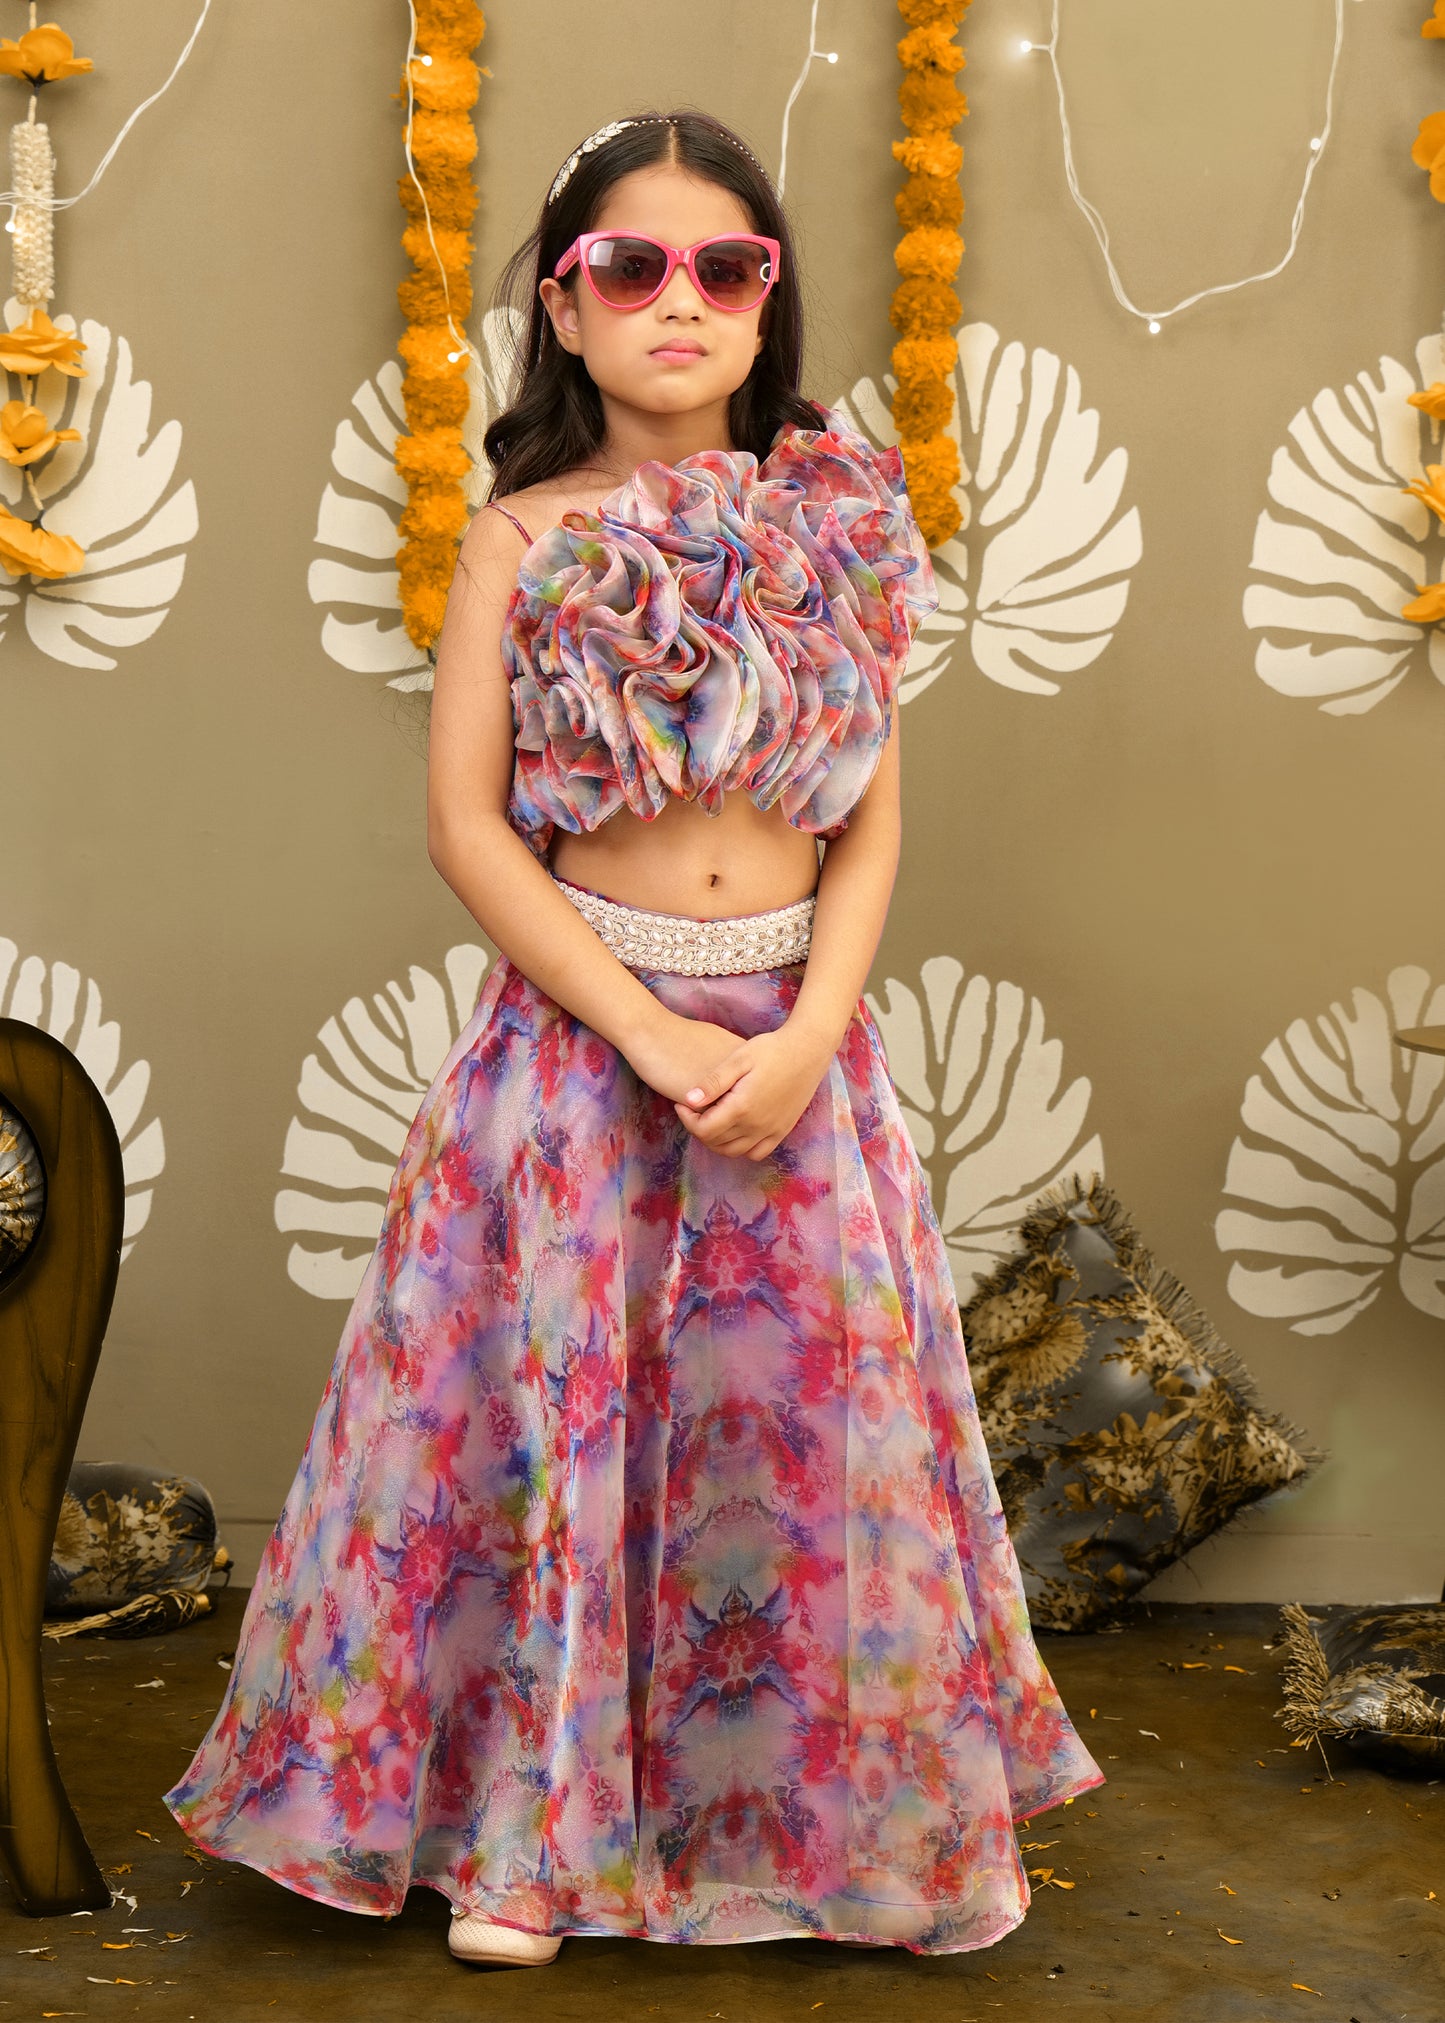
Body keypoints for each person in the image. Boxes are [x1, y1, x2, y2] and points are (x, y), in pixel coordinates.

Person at [162, 106, 1104, 1969]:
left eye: (724, 267)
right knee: (552, 1432)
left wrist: (811, 1031)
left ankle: (805, 1825)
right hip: (583, 1051)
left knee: (791, 1443)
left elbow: (870, 823)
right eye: (631, 265)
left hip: (793, 1053)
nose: (681, 298)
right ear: (565, 305)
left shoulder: (837, 516)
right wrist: (645, 1035)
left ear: (770, 302)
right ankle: (532, 1836)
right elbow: (464, 827)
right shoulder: (518, 534)